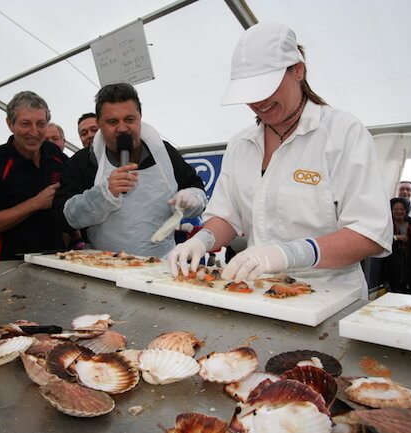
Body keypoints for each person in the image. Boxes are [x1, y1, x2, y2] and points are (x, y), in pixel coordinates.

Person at [168, 22, 392, 299]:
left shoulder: (342, 132)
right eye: (249, 92)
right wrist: (203, 240)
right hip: (258, 291)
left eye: (266, 87)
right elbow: (228, 216)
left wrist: (289, 253)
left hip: (330, 295)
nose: (258, 101)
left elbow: (368, 234)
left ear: (298, 70)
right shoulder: (241, 144)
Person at [53, 83, 207, 257]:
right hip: (103, 264)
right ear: (99, 124)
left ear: (140, 117)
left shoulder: (164, 153)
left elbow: (196, 187)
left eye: (129, 119)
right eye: (112, 122)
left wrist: (192, 197)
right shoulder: (84, 161)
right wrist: (102, 195)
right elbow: (62, 217)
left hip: (161, 265)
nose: (122, 128)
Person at [0, 91, 64, 261]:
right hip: (9, 263)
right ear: (10, 124)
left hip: (55, 260)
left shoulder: (54, 154)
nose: (34, 132)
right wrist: (36, 203)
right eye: (25, 124)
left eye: (41, 124)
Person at [382, 198, 411, 296]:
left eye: (402, 209)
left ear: (407, 210)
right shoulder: (384, 227)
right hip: (392, 276)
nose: (399, 212)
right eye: (395, 209)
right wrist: (396, 237)